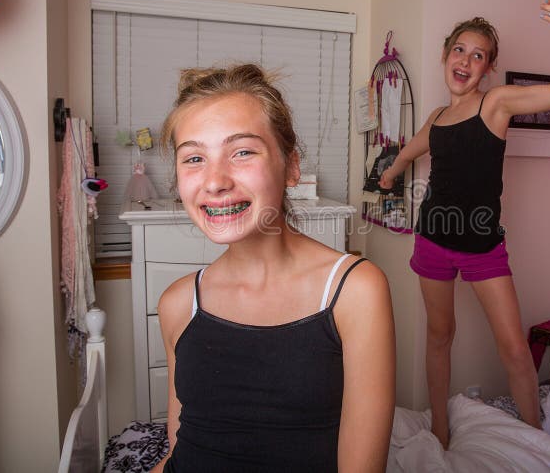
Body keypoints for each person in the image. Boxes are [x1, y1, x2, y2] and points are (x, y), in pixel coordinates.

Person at [151, 63, 396, 472]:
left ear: (291, 167)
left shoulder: (355, 292)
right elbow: (181, 450)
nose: (214, 181)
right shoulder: (178, 303)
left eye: (242, 151)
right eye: (193, 158)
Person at [378, 0, 550, 449]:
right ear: (445, 55)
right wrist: (390, 174)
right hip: (433, 241)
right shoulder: (437, 117)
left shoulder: (494, 104)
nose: (466, 59)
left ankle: (535, 439)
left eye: (479, 55)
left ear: (487, 69)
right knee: (440, 337)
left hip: (483, 249)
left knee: (514, 347)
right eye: (460, 49)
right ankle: (439, 426)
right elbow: (415, 148)